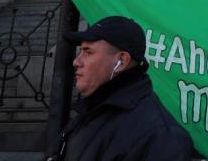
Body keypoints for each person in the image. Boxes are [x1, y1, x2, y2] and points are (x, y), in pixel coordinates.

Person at [50, 15, 193, 161]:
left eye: (88, 52)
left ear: (122, 60)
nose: (76, 61)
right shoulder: (94, 110)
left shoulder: (160, 136)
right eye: (80, 51)